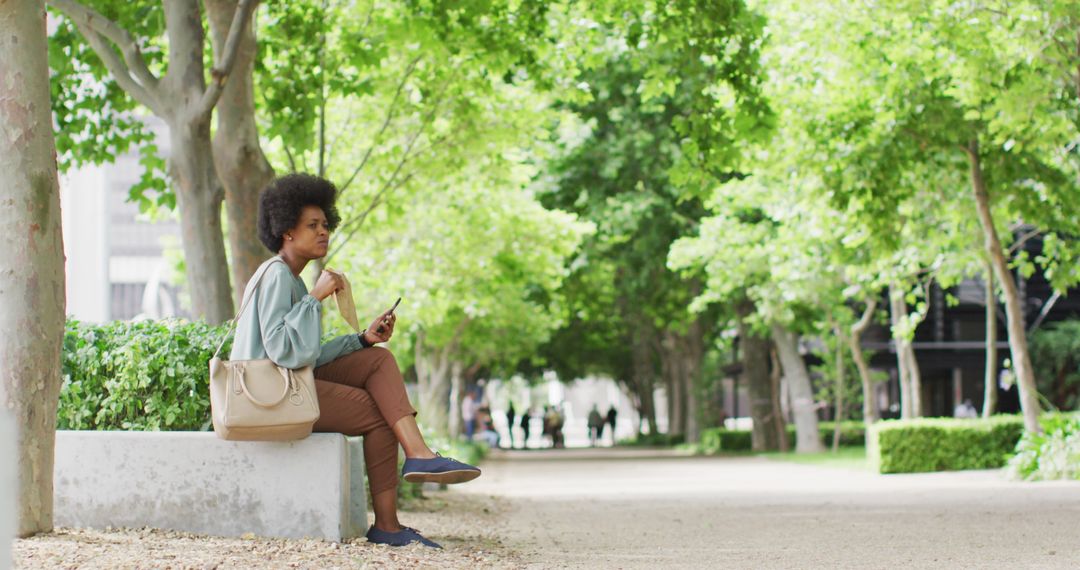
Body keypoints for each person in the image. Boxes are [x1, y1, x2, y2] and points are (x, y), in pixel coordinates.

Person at [231, 174, 480, 549]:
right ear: (286, 231)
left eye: (325, 225)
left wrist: (362, 339)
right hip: (270, 396)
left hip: (288, 384)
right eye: (312, 225)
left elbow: (306, 355)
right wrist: (315, 298)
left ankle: (418, 455)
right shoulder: (277, 276)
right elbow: (283, 352)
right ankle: (388, 524)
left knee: (377, 359)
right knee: (379, 415)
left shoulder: (291, 280)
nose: (323, 232)